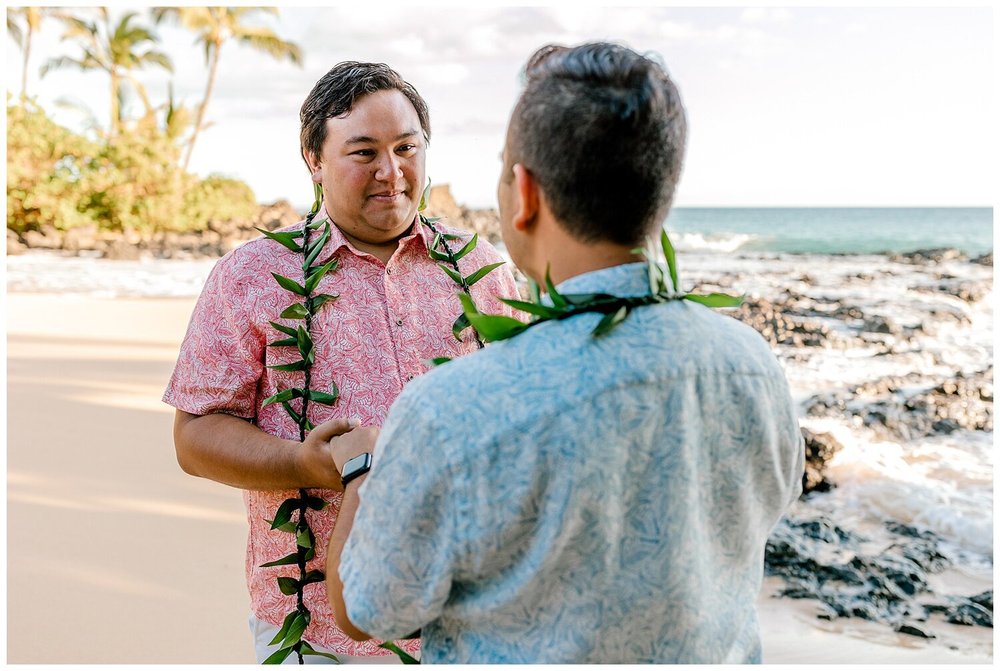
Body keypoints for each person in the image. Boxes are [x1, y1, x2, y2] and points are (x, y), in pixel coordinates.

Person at [322, 42, 805, 663]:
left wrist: (362, 469)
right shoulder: (751, 364)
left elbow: (367, 608)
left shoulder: (451, 410)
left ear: (524, 193)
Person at [162, 61, 519, 663]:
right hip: (317, 634)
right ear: (314, 159)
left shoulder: (481, 268)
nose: (391, 172)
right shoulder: (250, 278)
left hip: (470, 623)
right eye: (363, 152)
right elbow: (194, 436)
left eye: (407, 147)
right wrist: (308, 462)